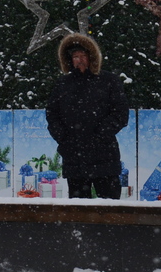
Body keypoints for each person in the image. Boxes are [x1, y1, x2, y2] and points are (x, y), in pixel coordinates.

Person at [46, 34, 129, 199]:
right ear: (69, 60)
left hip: (105, 155)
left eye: (83, 55)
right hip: (74, 158)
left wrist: (101, 134)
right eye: (75, 56)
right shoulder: (62, 85)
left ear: (92, 57)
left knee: (111, 211)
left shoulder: (109, 81)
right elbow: (52, 115)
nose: (79, 60)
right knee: (78, 213)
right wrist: (64, 139)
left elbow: (120, 113)